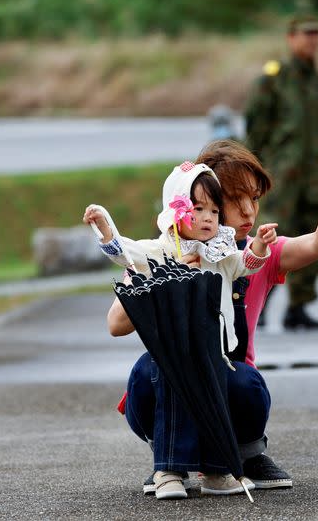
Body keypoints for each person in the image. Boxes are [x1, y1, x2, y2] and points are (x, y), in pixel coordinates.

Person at [107, 140, 318, 496]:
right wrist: (170, 278)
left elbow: (314, 245)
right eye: (233, 199)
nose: (248, 212)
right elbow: (117, 324)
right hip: (167, 390)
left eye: (254, 199)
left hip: (229, 385)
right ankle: (169, 461)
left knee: (243, 381)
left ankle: (246, 452)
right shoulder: (160, 252)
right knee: (145, 371)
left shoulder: (254, 254)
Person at [84, 161, 278, 499]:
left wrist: (260, 246)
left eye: (215, 211)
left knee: (216, 392)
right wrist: (105, 226)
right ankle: (168, 469)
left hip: (212, 350)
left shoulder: (220, 252)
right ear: (176, 211)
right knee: (171, 382)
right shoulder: (160, 250)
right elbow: (124, 252)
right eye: (198, 208)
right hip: (172, 350)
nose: (207, 218)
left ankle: (218, 473)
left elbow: (245, 266)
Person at [243, 14, 318, 331]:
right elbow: (255, 130)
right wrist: (257, 172)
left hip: (315, 175)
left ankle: (300, 307)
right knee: (270, 239)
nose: (313, 40)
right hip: (282, 176)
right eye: (306, 34)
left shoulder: (317, 81)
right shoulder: (274, 79)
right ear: (291, 37)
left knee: (313, 237)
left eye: (317, 34)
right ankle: (257, 305)